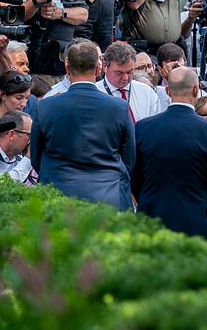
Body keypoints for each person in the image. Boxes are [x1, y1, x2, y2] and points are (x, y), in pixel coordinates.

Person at [31, 41, 134, 210]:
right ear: (99, 68)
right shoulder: (119, 107)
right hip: (109, 195)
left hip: (57, 194)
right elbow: (129, 157)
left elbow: (36, 156)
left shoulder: (45, 106)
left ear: (66, 66)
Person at [132, 67, 207, 242]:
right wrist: (206, 211)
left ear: (168, 91)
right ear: (196, 89)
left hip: (151, 219)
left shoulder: (143, 128)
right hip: (197, 221)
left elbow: (135, 179)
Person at [97, 42, 160, 122]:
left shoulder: (147, 92)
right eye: (119, 73)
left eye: (130, 72)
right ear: (105, 66)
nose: (125, 78)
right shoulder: (95, 93)